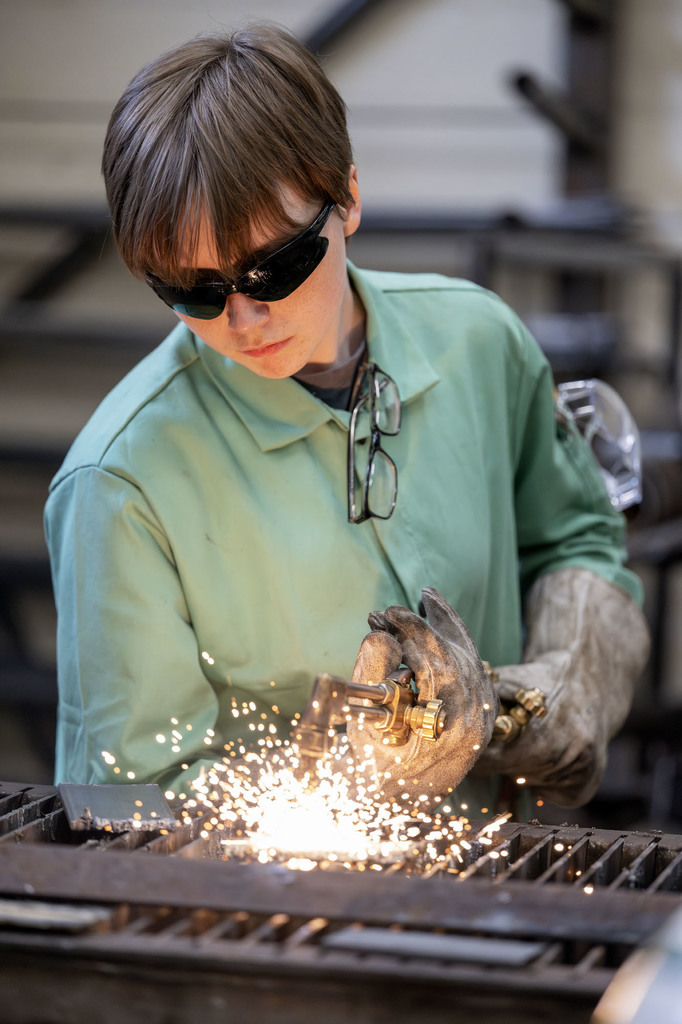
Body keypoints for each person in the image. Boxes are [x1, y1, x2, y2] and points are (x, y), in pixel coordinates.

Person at [45, 24, 649, 817]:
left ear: (350, 198)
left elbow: (576, 537)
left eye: (277, 266)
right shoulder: (121, 485)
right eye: (194, 291)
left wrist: (563, 687)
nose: (246, 319)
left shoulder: (478, 344)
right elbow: (134, 801)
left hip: (502, 882)